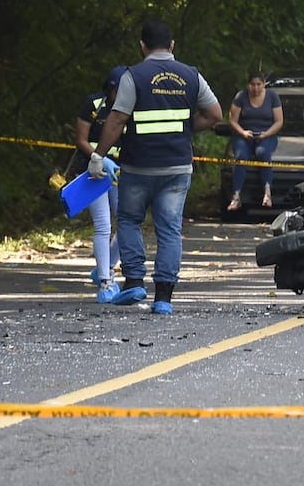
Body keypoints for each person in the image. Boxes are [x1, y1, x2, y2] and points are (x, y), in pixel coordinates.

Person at [88, 20, 223, 315]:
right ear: (172, 45)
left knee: (128, 220)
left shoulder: (133, 76)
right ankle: (163, 298)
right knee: (170, 229)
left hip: (139, 166)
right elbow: (214, 114)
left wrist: (98, 155)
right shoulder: (192, 76)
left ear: (142, 46)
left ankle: (134, 281)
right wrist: (187, 129)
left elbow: (116, 120)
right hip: (177, 167)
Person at [73, 65, 126, 302]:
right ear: (111, 88)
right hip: (94, 171)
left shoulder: (133, 107)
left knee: (126, 224)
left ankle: (106, 266)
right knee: (103, 225)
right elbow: (81, 139)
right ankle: (106, 281)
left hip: (121, 173)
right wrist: (100, 159)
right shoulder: (94, 104)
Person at [227, 72, 284, 210]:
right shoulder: (241, 96)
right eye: (253, 85)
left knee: (263, 153)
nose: (256, 88)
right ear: (248, 85)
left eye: (259, 84)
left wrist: (267, 134)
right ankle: (236, 196)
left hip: (267, 134)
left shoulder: (272, 97)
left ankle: (267, 194)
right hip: (244, 135)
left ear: (264, 84)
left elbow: (279, 121)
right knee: (240, 156)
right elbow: (233, 121)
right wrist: (243, 132)